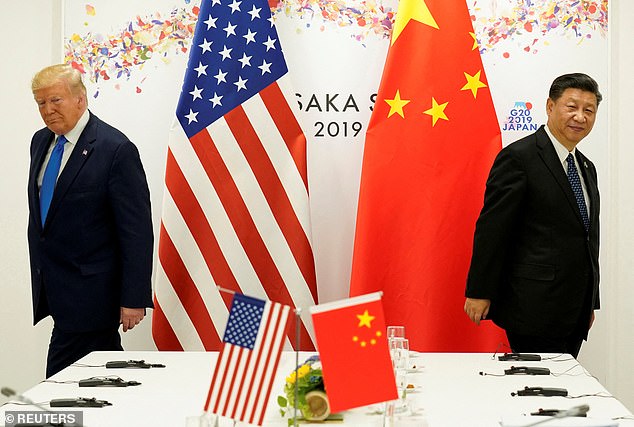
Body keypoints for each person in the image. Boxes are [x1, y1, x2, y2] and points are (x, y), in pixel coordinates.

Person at [27, 64, 154, 377]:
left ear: (80, 99)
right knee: (101, 378)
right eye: (41, 103)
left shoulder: (115, 149)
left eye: (55, 100)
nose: (47, 110)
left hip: (94, 293)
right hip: (57, 288)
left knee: (58, 386)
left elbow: (136, 231)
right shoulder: (40, 142)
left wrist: (133, 298)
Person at [464, 73, 602, 358]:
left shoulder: (586, 167)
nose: (580, 116)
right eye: (571, 106)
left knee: (562, 390)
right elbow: (493, 229)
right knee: (537, 392)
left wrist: (590, 302)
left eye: (588, 110)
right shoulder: (519, 158)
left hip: (574, 310)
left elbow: (588, 238)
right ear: (550, 107)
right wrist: (479, 291)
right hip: (532, 306)